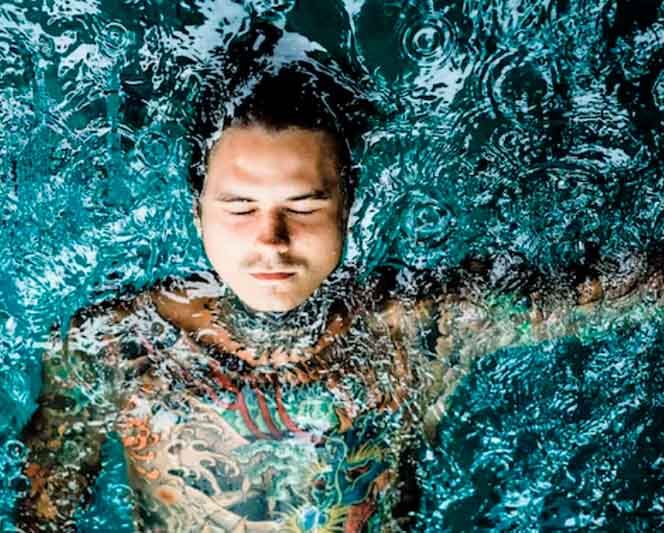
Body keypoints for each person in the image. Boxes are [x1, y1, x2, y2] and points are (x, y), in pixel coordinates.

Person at [14, 28, 533, 533]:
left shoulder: (426, 328)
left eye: (303, 207)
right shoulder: (113, 348)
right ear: (197, 212)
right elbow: (41, 514)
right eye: (240, 207)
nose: (272, 241)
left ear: (348, 206)